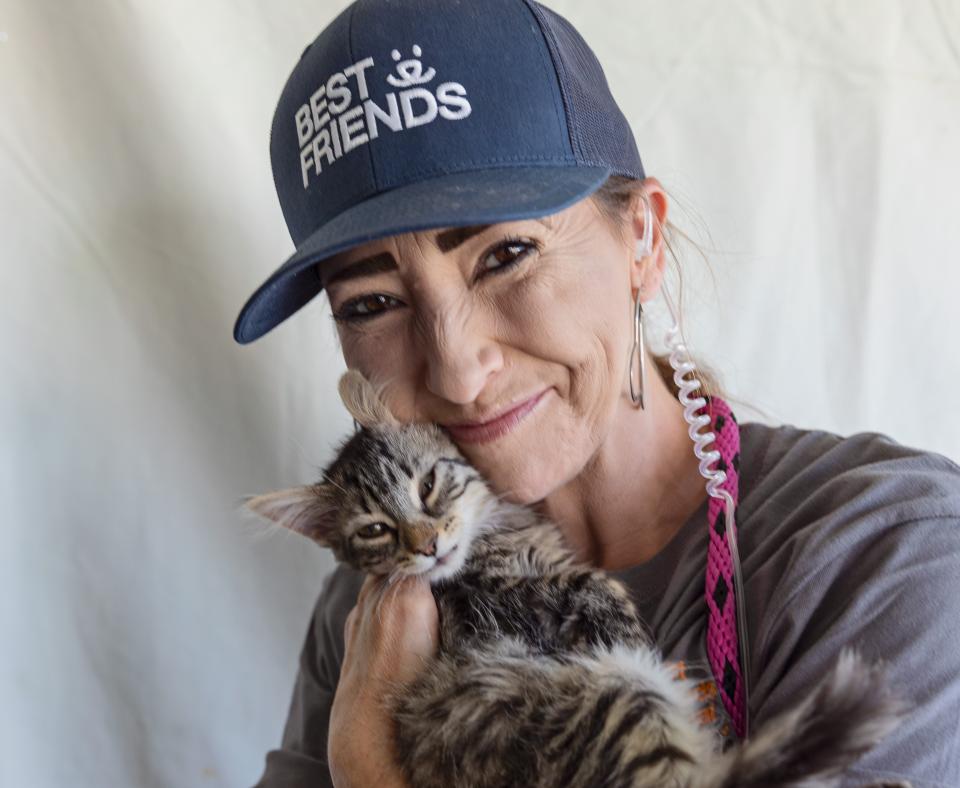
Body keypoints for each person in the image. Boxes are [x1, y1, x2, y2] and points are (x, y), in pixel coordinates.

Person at [233, 1, 960, 786]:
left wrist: (371, 767)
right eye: (371, 304)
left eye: (506, 254)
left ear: (641, 238)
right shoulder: (377, 604)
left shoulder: (880, 552)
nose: (457, 371)